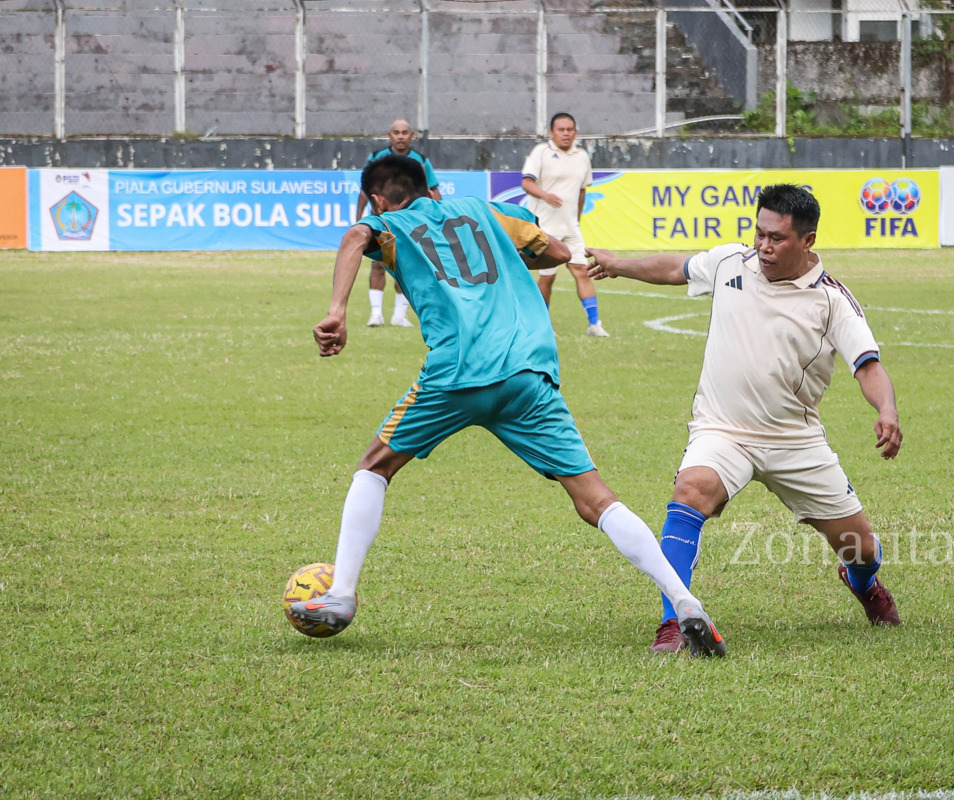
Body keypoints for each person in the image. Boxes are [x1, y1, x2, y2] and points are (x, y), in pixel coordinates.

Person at [289, 154, 725, 657]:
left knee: (375, 466)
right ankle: (685, 600)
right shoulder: (488, 211)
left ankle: (341, 594)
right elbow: (559, 251)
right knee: (595, 499)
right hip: (529, 373)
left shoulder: (386, 223)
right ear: (430, 188)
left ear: (379, 198)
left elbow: (353, 238)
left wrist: (336, 312)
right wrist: (509, 257)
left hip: (457, 373)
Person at [586, 184, 903, 654]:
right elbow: (676, 268)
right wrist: (618, 265)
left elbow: (867, 365)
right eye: (759, 233)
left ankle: (863, 583)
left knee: (861, 548)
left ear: (807, 240)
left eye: (777, 238)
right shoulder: (731, 262)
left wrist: (887, 410)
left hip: (795, 440)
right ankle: (675, 620)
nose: (764, 246)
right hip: (722, 430)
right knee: (690, 492)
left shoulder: (832, 299)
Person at [521, 112, 608, 338]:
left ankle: (595, 324)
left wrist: (576, 219)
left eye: (570, 129)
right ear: (552, 132)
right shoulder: (541, 152)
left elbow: (582, 190)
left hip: (571, 228)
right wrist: (545, 195)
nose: (566, 134)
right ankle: (542, 325)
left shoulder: (582, 156)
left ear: (575, 132)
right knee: (548, 277)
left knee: (582, 271)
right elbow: (526, 182)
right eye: (561, 130)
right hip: (545, 227)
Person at [356, 118, 443, 328]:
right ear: (390, 135)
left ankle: (399, 315)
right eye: (396, 132)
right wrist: (359, 216)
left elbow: (434, 191)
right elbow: (364, 190)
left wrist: (437, 215)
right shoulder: (377, 158)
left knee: (406, 266)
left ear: (412, 136)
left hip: (410, 222)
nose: (401, 136)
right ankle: (376, 314)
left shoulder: (421, 161)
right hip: (383, 220)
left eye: (405, 132)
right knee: (378, 264)